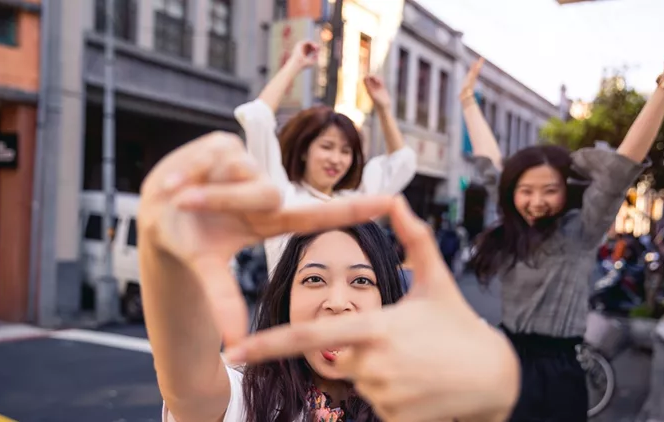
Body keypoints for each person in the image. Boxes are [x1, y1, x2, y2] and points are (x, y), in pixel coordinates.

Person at [138, 131, 520, 422]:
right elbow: (188, 383)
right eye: (314, 280)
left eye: (361, 281)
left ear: (387, 299)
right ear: (284, 296)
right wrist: (168, 258)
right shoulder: (245, 399)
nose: (338, 303)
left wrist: (494, 373)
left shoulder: (415, 403)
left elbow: (478, 395)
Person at [462, 30, 664, 422]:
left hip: (561, 370)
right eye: (525, 191)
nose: (537, 201)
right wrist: (467, 104)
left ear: (566, 192)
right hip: (505, 361)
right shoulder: (510, 220)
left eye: (549, 190)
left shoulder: (581, 228)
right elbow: (490, 162)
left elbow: (619, 170)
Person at [235, 40, 417, 275]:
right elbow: (257, 119)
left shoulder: (355, 202)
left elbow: (401, 163)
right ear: (303, 151)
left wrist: (383, 109)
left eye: (345, 151)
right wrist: (295, 64)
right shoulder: (282, 196)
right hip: (291, 312)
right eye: (327, 146)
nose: (336, 159)